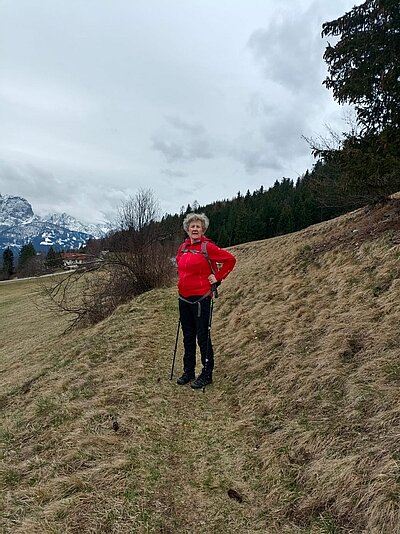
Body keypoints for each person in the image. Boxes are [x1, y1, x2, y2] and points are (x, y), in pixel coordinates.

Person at [175, 212, 236, 389]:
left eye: (198, 227)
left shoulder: (207, 247)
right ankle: (188, 371)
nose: (195, 229)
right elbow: (181, 265)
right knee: (187, 337)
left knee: (202, 336)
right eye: (192, 226)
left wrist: (217, 277)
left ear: (203, 230)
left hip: (201, 298)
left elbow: (230, 260)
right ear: (187, 229)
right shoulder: (183, 248)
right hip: (183, 298)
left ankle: (207, 373)